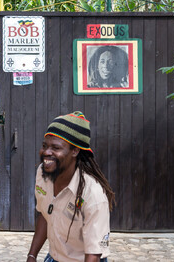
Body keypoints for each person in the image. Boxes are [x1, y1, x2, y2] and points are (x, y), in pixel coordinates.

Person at [27, 111, 115, 262]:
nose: (46, 152)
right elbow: (45, 213)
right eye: (44, 146)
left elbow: (94, 253)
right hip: (55, 257)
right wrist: (32, 256)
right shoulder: (43, 173)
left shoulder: (92, 194)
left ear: (75, 151)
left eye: (56, 148)